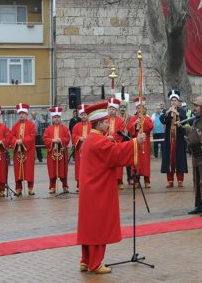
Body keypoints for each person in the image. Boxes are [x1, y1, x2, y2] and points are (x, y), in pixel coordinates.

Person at [77, 101, 136, 274]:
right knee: (98, 226)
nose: (108, 124)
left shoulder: (92, 139)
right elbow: (116, 154)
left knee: (89, 226)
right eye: (105, 122)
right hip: (98, 192)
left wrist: (108, 140)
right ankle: (95, 263)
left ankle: (85, 261)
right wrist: (134, 143)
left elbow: (107, 150)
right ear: (99, 124)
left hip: (90, 190)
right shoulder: (99, 142)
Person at [160, 90, 188, 188]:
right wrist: (168, 113)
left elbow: (185, 121)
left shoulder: (182, 111)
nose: (173, 102)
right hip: (169, 140)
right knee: (169, 159)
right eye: (172, 100)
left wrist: (178, 114)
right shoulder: (166, 110)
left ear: (178, 101)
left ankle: (180, 180)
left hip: (179, 140)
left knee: (179, 159)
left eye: (175, 100)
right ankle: (170, 180)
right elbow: (162, 120)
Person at [10, 103, 37, 196]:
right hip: (18, 151)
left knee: (29, 170)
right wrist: (16, 141)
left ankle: (30, 188)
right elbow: (11, 136)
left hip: (28, 151)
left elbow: (32, 135)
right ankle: (18, 188)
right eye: (20, 113)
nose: (22, 115)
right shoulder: (15, 126)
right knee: (18, 170)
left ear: (26, 114)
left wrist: (23, 141)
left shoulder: (31, 125)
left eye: (23, 113)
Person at [127, 97, 153, 188]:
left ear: (144, 109)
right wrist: (135, 124)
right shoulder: (133, 118)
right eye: (138, 108)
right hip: (136, 143)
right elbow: (129, 129)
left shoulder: (147, 118)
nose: (139, 110)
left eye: (141, 108)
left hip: (145, 143)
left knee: (145, 162)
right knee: (136, 162)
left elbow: (150, 127)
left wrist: (144, 120)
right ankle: (136, 180)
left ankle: (147, 180)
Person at [43, 106, 71, 194]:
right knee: (52, 170)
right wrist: (52, 140)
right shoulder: (48, 129)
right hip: (52, 152)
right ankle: (52, 187)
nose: (56, 119)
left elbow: (67, 138)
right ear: (52, 118)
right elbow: (45, 138)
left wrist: (61, 140)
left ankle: (65, 186)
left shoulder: (65, 128)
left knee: (63, 170)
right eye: (55, 117)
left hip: (62, 153)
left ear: (60, 118)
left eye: (58, 117)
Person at [103, 98, 126, 189]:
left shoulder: (120, 121)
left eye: (113, 109)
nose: (111, 110)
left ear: (116, 110)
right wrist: (106, 137)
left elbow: (122, 133)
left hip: (116, 144)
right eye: (110, 109)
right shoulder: (105, 119)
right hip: (107, 144)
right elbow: (102, 130)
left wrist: (114, 139)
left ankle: (119, 181)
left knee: (118, 163)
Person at [70, 104, 89, 191]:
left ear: (87, 115)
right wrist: (79, 138)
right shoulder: (76, 126)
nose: (84, 116)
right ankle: (79, 185)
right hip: (79, 150)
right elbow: (73, 135)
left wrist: (89, 138)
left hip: (90, 151)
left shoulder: (92, 125)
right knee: (79, 167)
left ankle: (89, 184)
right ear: (80, 115)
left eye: (85, 114)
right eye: (82, 115)